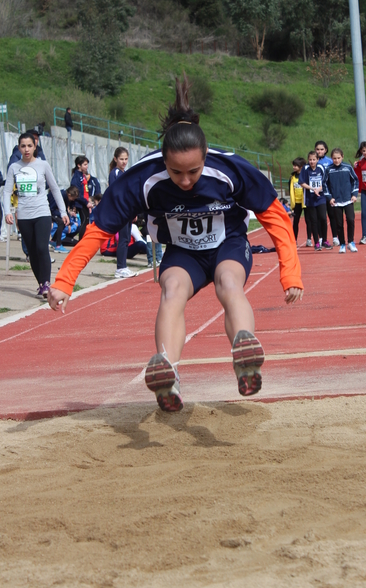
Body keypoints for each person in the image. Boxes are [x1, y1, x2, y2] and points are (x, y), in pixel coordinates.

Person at [47, 76, 303, 412]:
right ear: (161, 160)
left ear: (206, 156)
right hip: (182, 252)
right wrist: (65, 281)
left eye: (193, 172)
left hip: (227, 242)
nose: (184, 181)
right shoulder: (141, 179)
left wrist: (291, 274)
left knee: (229, 282)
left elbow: (275, 216)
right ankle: (167, 369)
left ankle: (245, 357)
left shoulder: (229, 169)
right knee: (171, 291)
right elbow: (98, 230)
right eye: (175, 172)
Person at [3, 132, 69, 298]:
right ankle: (41, 283)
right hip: (24, 215)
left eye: (29, 146)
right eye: (23, 146)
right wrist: (7, 211)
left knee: (41, 247)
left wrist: (63, 211)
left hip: (42, 212)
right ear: (19, 148)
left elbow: (54, 188)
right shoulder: (14, 167)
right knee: (32, 251)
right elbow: (6, 191)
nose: (26, 149)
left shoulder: (43, 165)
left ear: (35, 147)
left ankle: (46, 284)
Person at [107, 147, 136, 279]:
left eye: (126, 159)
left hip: (127, 210)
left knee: (125, 239)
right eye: (121, 159)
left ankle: (123, 266)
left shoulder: (124, 172)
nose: (124, 161)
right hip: (121, 210)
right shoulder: (115, 173)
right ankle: (120, 268)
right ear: (115, 159)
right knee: (123, 239)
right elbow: (116, 192)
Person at [323, 148, 359, 254]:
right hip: (336, 201)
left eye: (338, 158)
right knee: (339, 223)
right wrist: (330, 197)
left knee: (351, 220)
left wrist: (354, 195)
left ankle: (351, 242)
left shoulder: (348, 168)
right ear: (331, 158)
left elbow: (355, 181)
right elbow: (324, 184)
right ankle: (342, 244)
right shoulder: (329, 170)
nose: (337, 160)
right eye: (334, 158)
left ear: (342, 157)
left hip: (348, 199)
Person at [299, 150, 331, 250]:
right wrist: (311, 188)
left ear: (317, 160)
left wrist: (319, 189)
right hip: (310, 198)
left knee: (323, 218)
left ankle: (325, 240)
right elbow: (301, 182)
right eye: (310, 160)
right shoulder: (305, 168)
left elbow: (325, 181)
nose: (312, 161)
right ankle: (317, 242)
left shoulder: (321, 168)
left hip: (320, 197)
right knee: (313, 220)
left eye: (314, 159)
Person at [315, 141, 339, 246]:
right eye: (317, 149)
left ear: (326, 150)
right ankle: (321, 238)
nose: (319, 151)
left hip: (329, 192)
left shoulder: (330, 161)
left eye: (321, 149)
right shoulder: (313, 161)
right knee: (321, 216)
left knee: (332, 215)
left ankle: (335, 237)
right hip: (318, 193)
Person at [48, 185, 80, 252]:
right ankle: (58, 245)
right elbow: (51, 208)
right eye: (73, 198)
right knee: (61, 222)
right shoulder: (60, 196)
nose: (73, 200)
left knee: (64, 222)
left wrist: (68, 219)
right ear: (69, 194)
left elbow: (64, 209)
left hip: (54, 211)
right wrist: (60, 216)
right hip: (48, 210)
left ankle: (53, 240)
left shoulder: (66, 197)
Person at [289, 157, 311, 245]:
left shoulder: (306, 175)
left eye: (296, 165)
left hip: (305, 201)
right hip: (297, 202)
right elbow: (291, 190)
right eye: (293, 165)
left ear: (301, 166)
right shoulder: (293, 177)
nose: (294, 167)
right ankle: (294, 240)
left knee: (308, 220)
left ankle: (309, 239)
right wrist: (292, 204)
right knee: (295, 221)